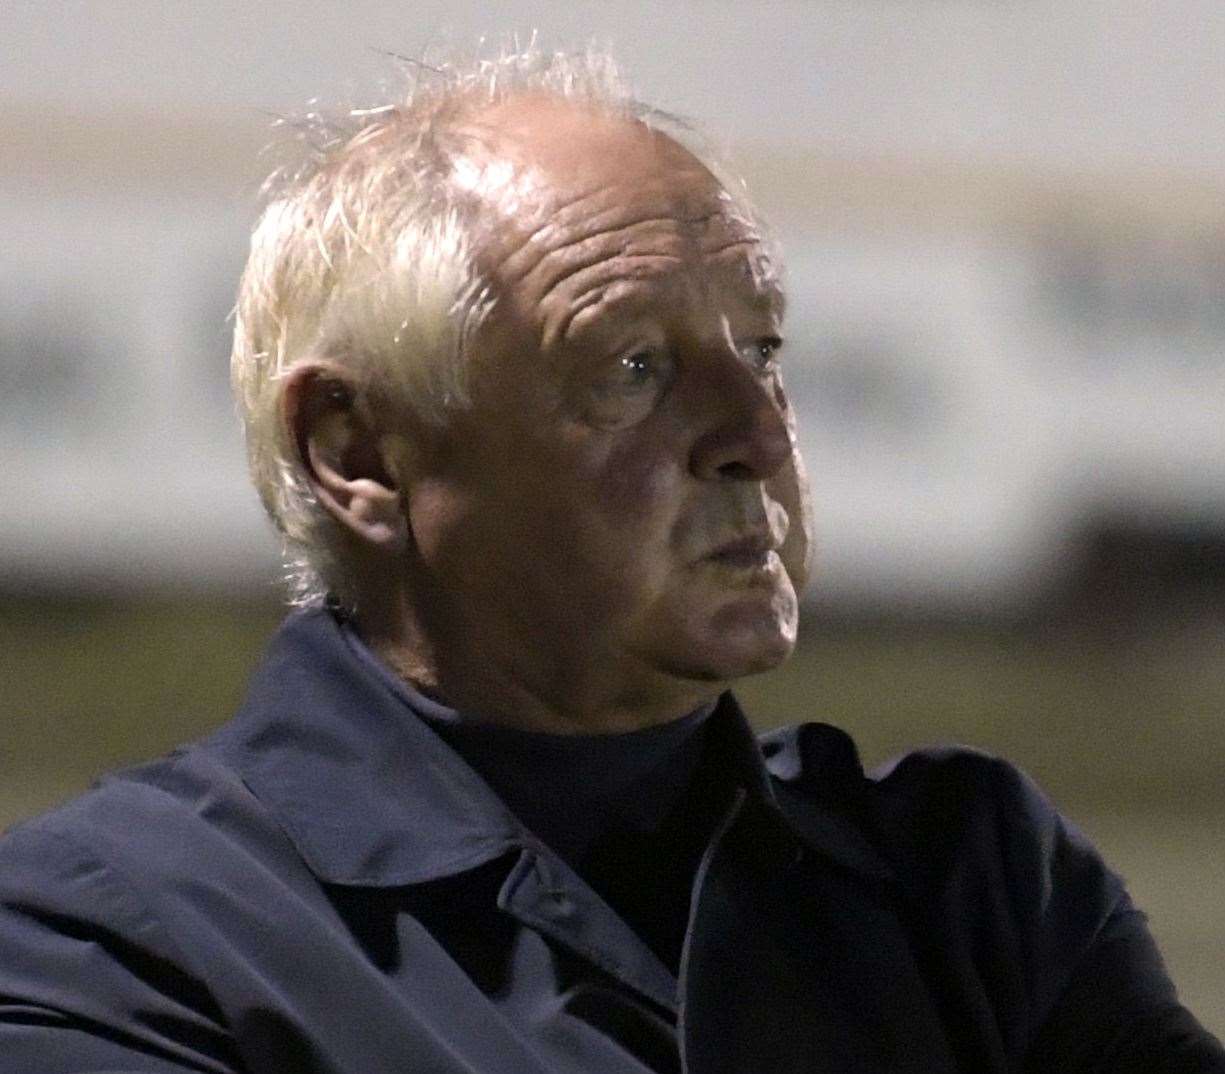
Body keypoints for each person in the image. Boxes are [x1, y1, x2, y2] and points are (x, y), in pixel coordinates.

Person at [0, 45, 1220, 1074]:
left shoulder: (971, 882)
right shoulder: (110, 940)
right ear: (358, 453)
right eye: (633, 369)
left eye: (764, 347)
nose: (757, 435)